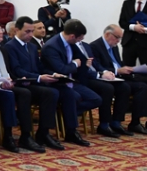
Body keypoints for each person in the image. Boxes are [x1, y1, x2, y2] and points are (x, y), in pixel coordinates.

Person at [4, 16, 67, 150]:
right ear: (17, 30)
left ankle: (44, 132)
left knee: (54, 92)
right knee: (40, 93)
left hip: (34, 81)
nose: (30, 35)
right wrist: (39, 77)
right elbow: (16, 70)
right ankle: (26, 135)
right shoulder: (10, 47)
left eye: (32, 31)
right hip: (21, 83)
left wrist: (52, 74)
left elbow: (39, 67)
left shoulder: (32, 47)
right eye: (27, 31)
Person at [90, 24, 147, 134]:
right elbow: (98, 66)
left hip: (120, 76)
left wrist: (129, 69)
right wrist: (118, 71)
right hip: (108, 78)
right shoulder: (95, 46)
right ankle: (131, 122)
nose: (118, 41)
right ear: (107, 34)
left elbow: (117, 63)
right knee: (139, 87)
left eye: (120, 38)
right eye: (117, 37)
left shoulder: (114, 46)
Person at [0, 21, 44, 153]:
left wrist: (18, 80)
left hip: (7, 83)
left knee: (26, 91)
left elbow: (9, 71)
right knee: (18, 94)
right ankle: (9, 136)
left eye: (1, 29)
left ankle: (27, 135)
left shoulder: (2, 49)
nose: (1, 32)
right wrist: (0, 82)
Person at [39, 19, 101, 147]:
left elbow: (83, 61)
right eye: (79, 39)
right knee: (72, 96)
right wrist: (75, 64)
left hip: (72, 81)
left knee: (96, 99)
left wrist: (83, 65)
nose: (79, 42)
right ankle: (71, 131)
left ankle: (65, 114)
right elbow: (61, 69)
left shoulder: (71, 43)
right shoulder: (52, 46)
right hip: (56, 82)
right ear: (72, 36)